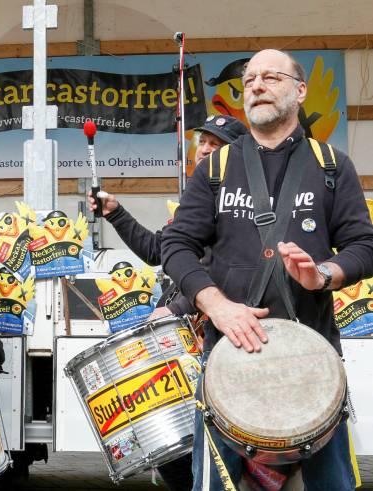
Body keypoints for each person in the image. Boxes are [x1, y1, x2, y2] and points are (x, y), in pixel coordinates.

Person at [161, 49, 373, 490]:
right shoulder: (216, 168)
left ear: (299, 91)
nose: (256, 85)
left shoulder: (332, 166)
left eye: (271, 77)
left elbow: (364, 245)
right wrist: (217, 306)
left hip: (312, 367)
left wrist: (325, 274)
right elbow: (176, 246)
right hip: (227, 363)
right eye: (250, 78)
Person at [89, 115, 247, 320]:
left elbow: (224, 269)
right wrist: (115, 213)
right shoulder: (200, 198)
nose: (205, 150)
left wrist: (178, 308)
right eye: (202, 142)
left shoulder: (237, 201)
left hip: (217, 325)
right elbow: (157, 251)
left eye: (215, 145)